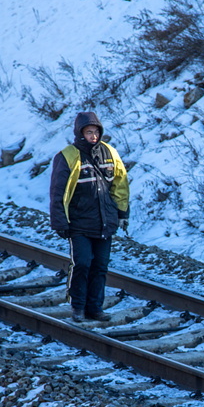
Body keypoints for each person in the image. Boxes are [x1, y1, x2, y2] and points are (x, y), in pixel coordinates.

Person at [49, 111, 130, 322]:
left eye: (95, 132)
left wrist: (122, 213)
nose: (93, 136)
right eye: (88, 132)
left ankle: (95, 308)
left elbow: (120, 185)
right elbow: (58, 192)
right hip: (78, 223)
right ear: (79, 133)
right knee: (82, 264)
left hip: (105, 222)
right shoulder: (67, 156)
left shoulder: (110, 153)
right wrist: (60, 221)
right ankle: (77, 307)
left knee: (100, 267)